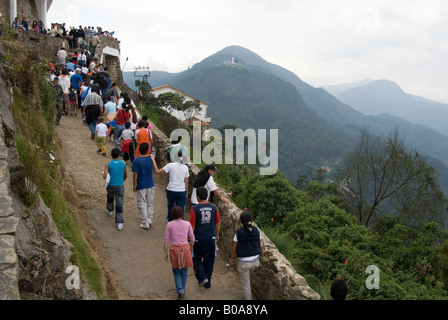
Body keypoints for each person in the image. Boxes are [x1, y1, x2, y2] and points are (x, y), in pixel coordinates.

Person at [189, 187, 221, 288]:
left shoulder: (194, 209)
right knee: (209, 261)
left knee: (195, 258)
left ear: (198, 197)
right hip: (211, 238)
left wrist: (190, 239)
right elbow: (218, 223)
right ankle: (208, 283)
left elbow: (192, 226)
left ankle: (202, 278)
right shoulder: (214, 207)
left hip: (199, 239)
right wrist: (217, 235)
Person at [229, 211, 261, 300]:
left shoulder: (239, 233)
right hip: (255, 262)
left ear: (241, 222)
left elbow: (234, 248)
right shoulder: (256, 231)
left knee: (246, 285)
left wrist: (231, 259)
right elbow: (258, 241)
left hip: (244, 263)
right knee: (246, 278)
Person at [164, 206, 195, 300]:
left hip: (174, 249)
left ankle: (180, 290)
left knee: (176, 272)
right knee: (184, 272)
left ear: (172, 215)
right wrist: (191, 247)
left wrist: (165, 252)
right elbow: (192, 237)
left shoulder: (169, 224)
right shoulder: (187, 224)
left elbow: (166, 239)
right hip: (185, 248)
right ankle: (182, 289)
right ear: (181, 214)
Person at [150, 150, 189, 222]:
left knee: (170, 206)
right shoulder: (185, 167)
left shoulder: (170, 165)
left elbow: (157, 171)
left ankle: (170, 220)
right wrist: (186, 193)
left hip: (171, 189)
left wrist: (153, 160)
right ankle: (180, 222)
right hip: (181, 190)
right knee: (180, 208)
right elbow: (186, 182)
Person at [103, 148, 127, 231]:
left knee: (110, 197)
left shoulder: (108, 164)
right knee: (119, 203)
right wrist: (121, 180)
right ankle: (119, 222)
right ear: (119, 155)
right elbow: (125, 175)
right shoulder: (123, 164)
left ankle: (110, 210)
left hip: (111, 184)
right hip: (120, 185)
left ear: (111, 155)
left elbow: (105, 176)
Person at [132, 143, 155, 230]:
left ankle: (145, 222)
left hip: (141, 184)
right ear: (147, 150)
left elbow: (135, 175)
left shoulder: (136, 161)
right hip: (150, 183)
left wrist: (134, 185)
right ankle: (149, 218)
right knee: (150, 202)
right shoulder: (151, 158)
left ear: (139, 150)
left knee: (142, 203)